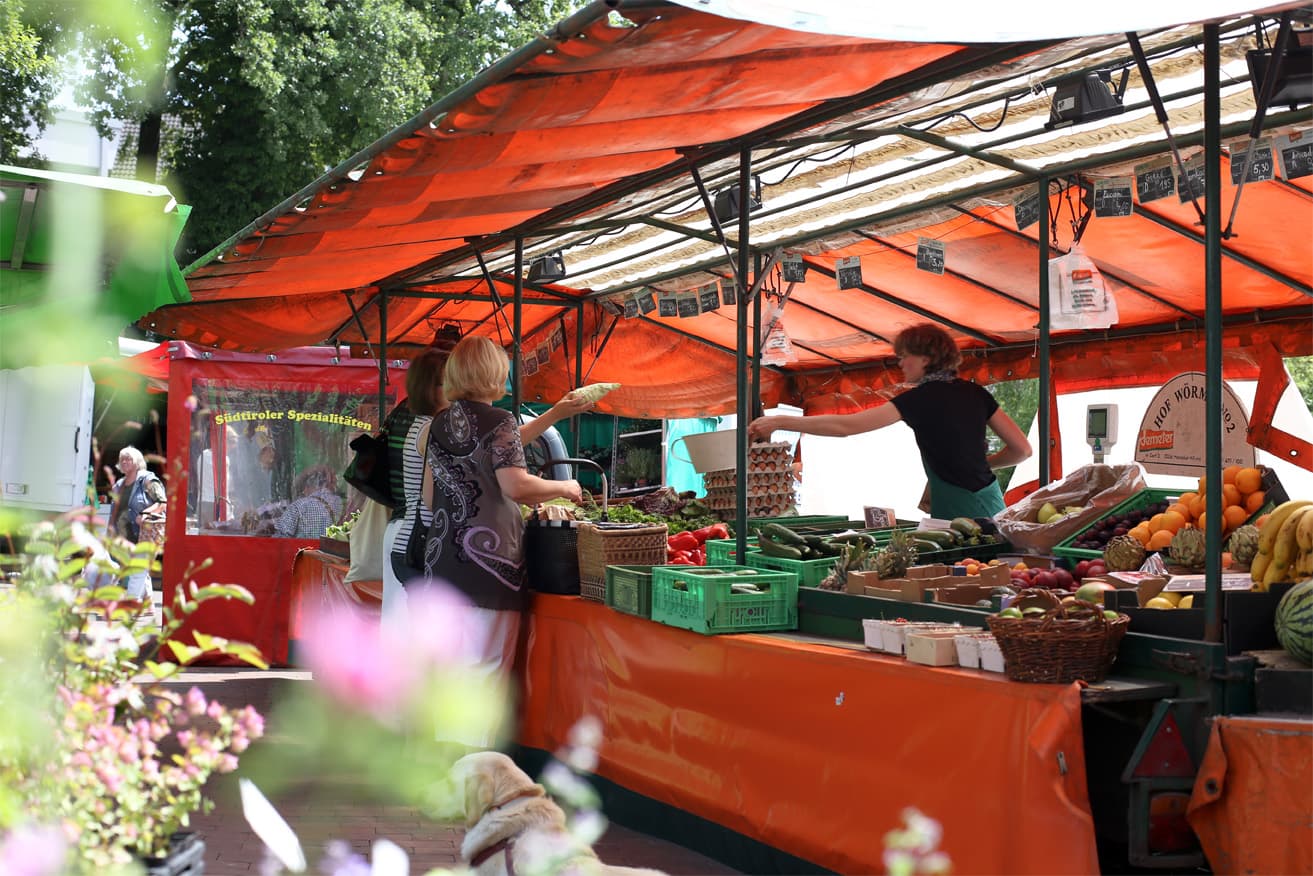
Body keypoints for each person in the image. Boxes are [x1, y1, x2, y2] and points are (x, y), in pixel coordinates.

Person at [414, 336, 584, 742]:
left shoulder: (438, 424)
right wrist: (565, 487)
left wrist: (555, 414)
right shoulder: (499, 420)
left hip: (442, 563)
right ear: (494, 374)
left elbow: (428, 496)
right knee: (485, 676)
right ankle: (475, 772)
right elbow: (516, 485)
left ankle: (447, 770)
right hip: (490, 568)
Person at [748, 323, 1032, 520]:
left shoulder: (919, 400)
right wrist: (983, 465)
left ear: (926, 359)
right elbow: (1022, 450)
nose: (900, 364)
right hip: (992, 503)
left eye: (904, 357)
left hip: (960, 513)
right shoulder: (976, 393)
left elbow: (846, 426)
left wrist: (779, 422)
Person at [107, 446, 166, 600]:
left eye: (128, 459)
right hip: (125, 536)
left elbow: (162, 503)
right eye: (122, 459)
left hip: (145, 534)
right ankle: (148, 604)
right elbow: (114, 512)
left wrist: (145, 513)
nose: (124, 462)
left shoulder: (147, 480)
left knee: (138, 570)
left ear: (137, 461)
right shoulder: (119, 485)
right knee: (137, 570)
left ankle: (131, 602)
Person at [274, 466, 344, 539]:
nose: (303, 493)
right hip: (329, 546)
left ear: (308, 486)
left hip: (304, 546)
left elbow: (280, 537)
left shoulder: (299, 505)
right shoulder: (339, 503)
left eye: (302, 489)